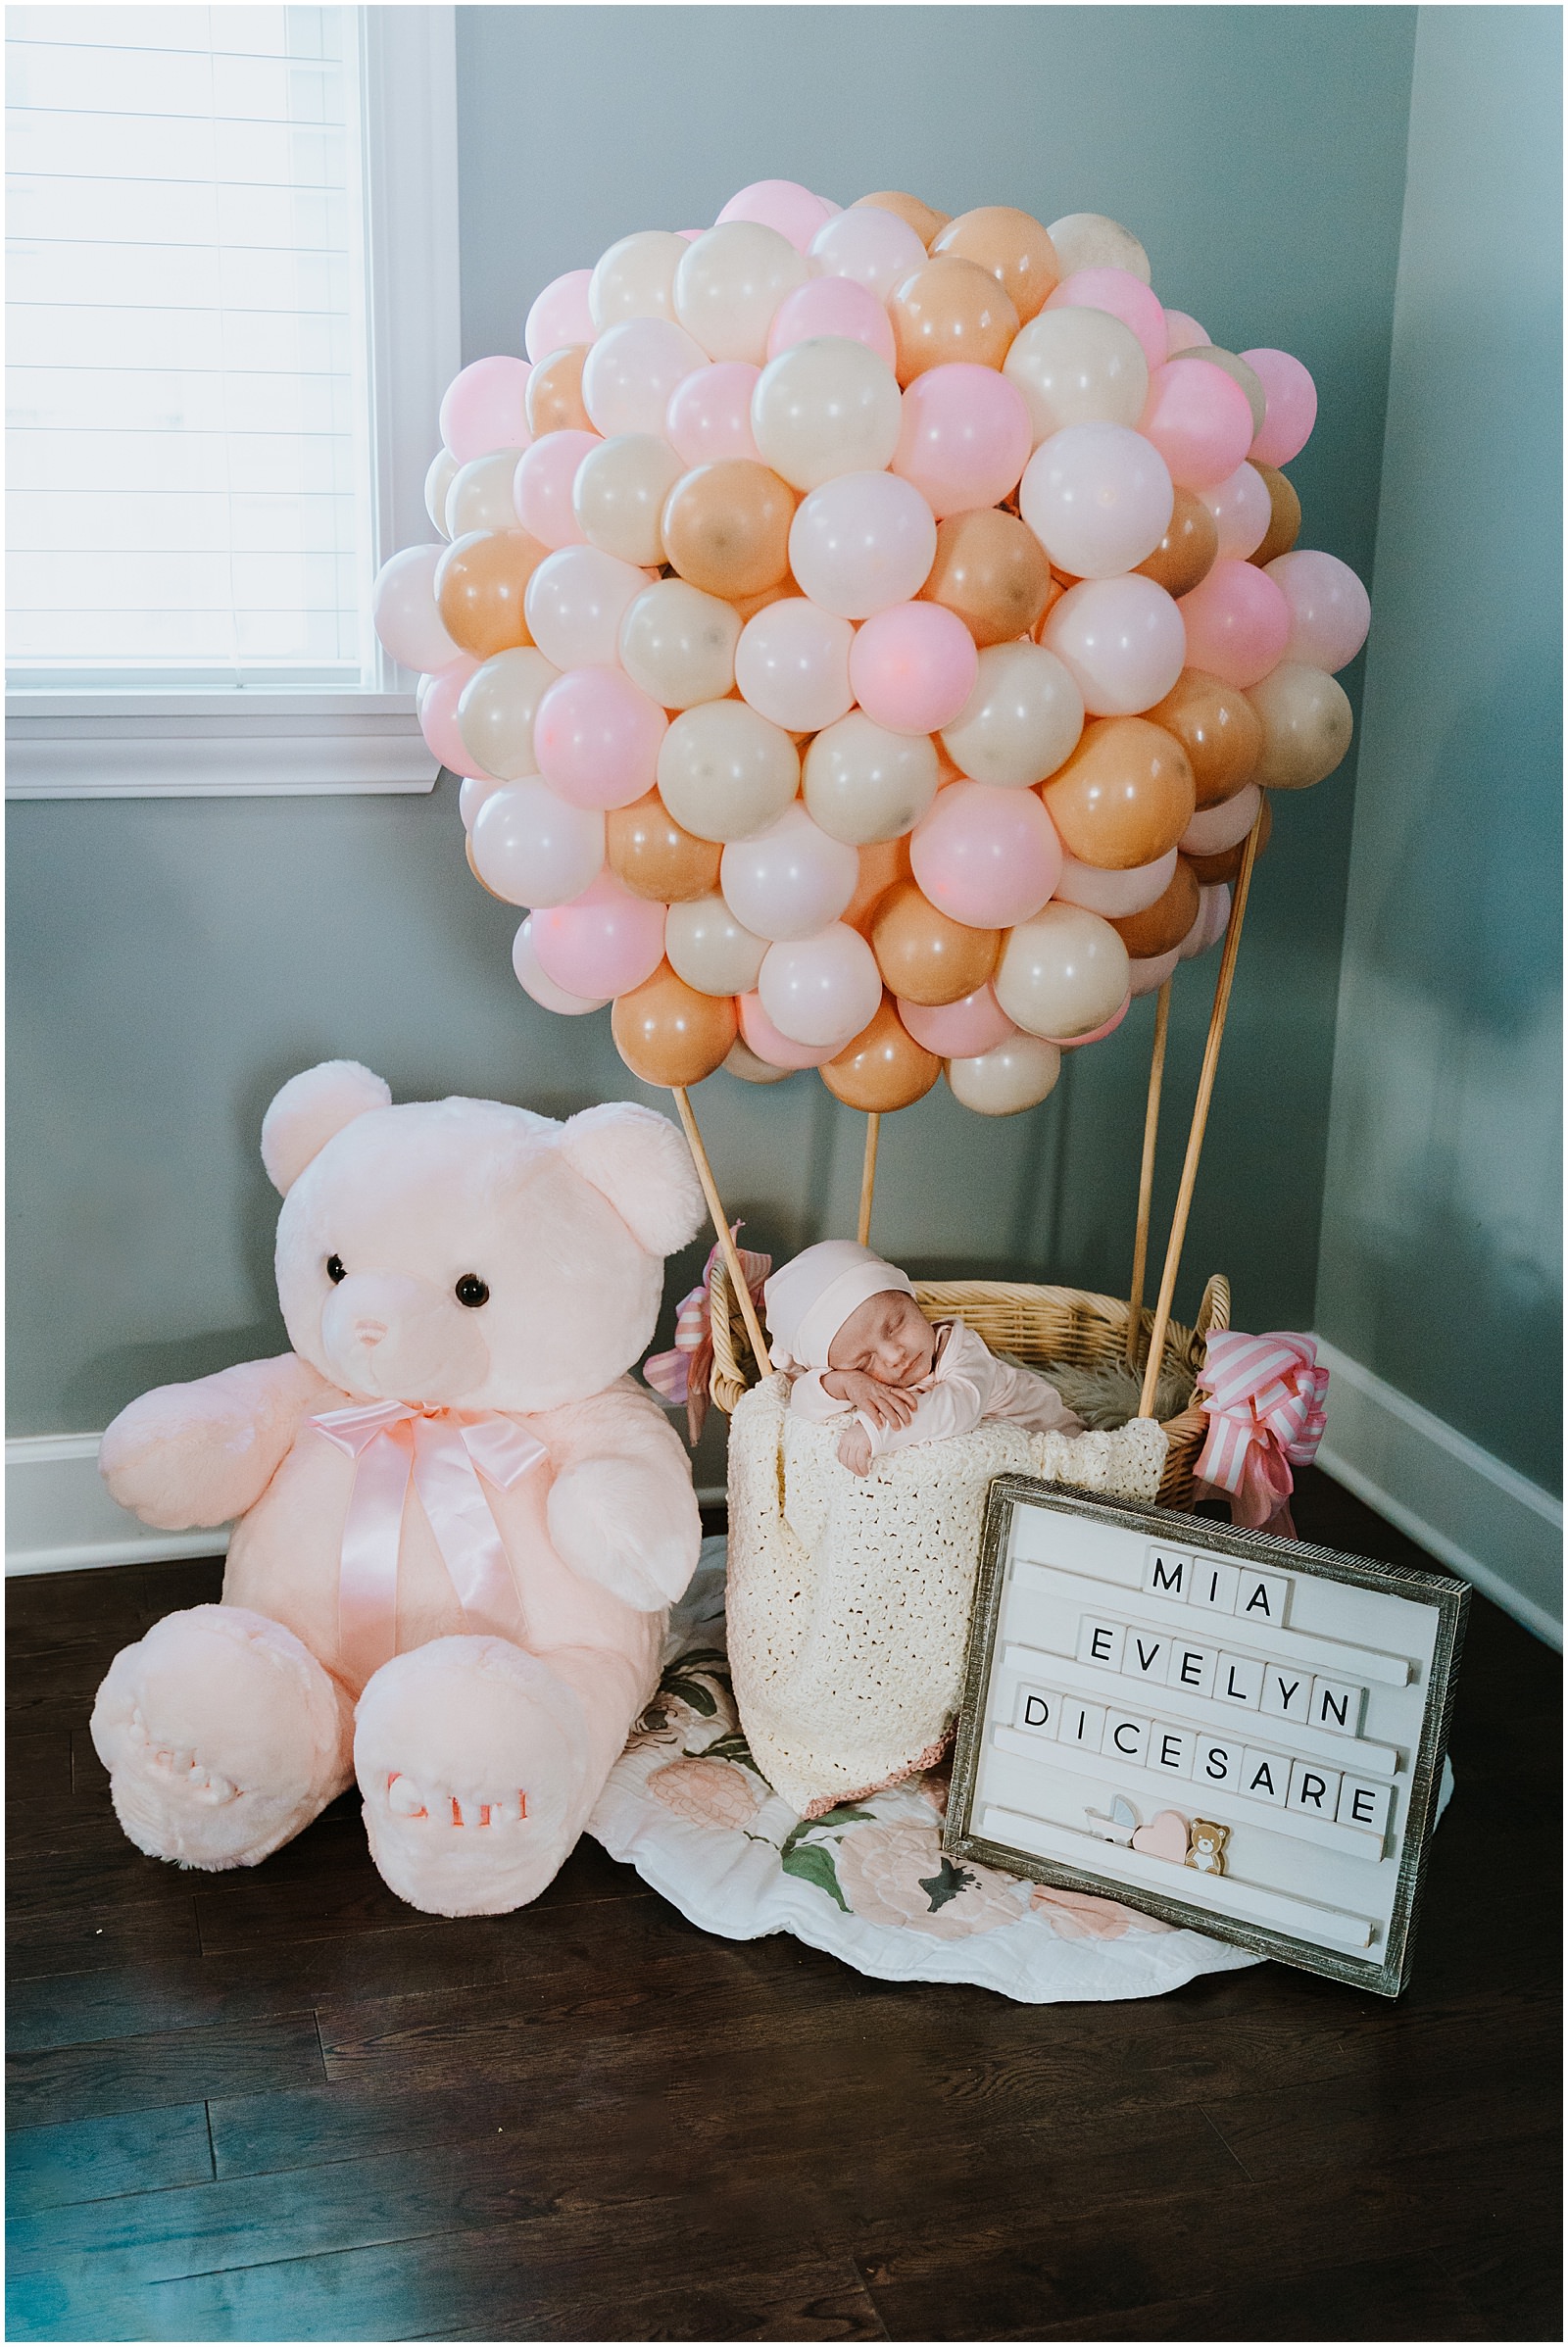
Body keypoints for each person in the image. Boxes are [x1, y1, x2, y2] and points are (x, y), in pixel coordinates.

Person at [762, 1240, 1084, 1476]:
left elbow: (958, 1407)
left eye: (897, 1324)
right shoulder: (857, 1380)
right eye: (864, 1362)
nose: (894, 1355)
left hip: (1058, 1436)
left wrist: (876, 1431)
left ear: (913, 1301)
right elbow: (801, 1401)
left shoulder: (962, 1349)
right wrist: (847, 1383)